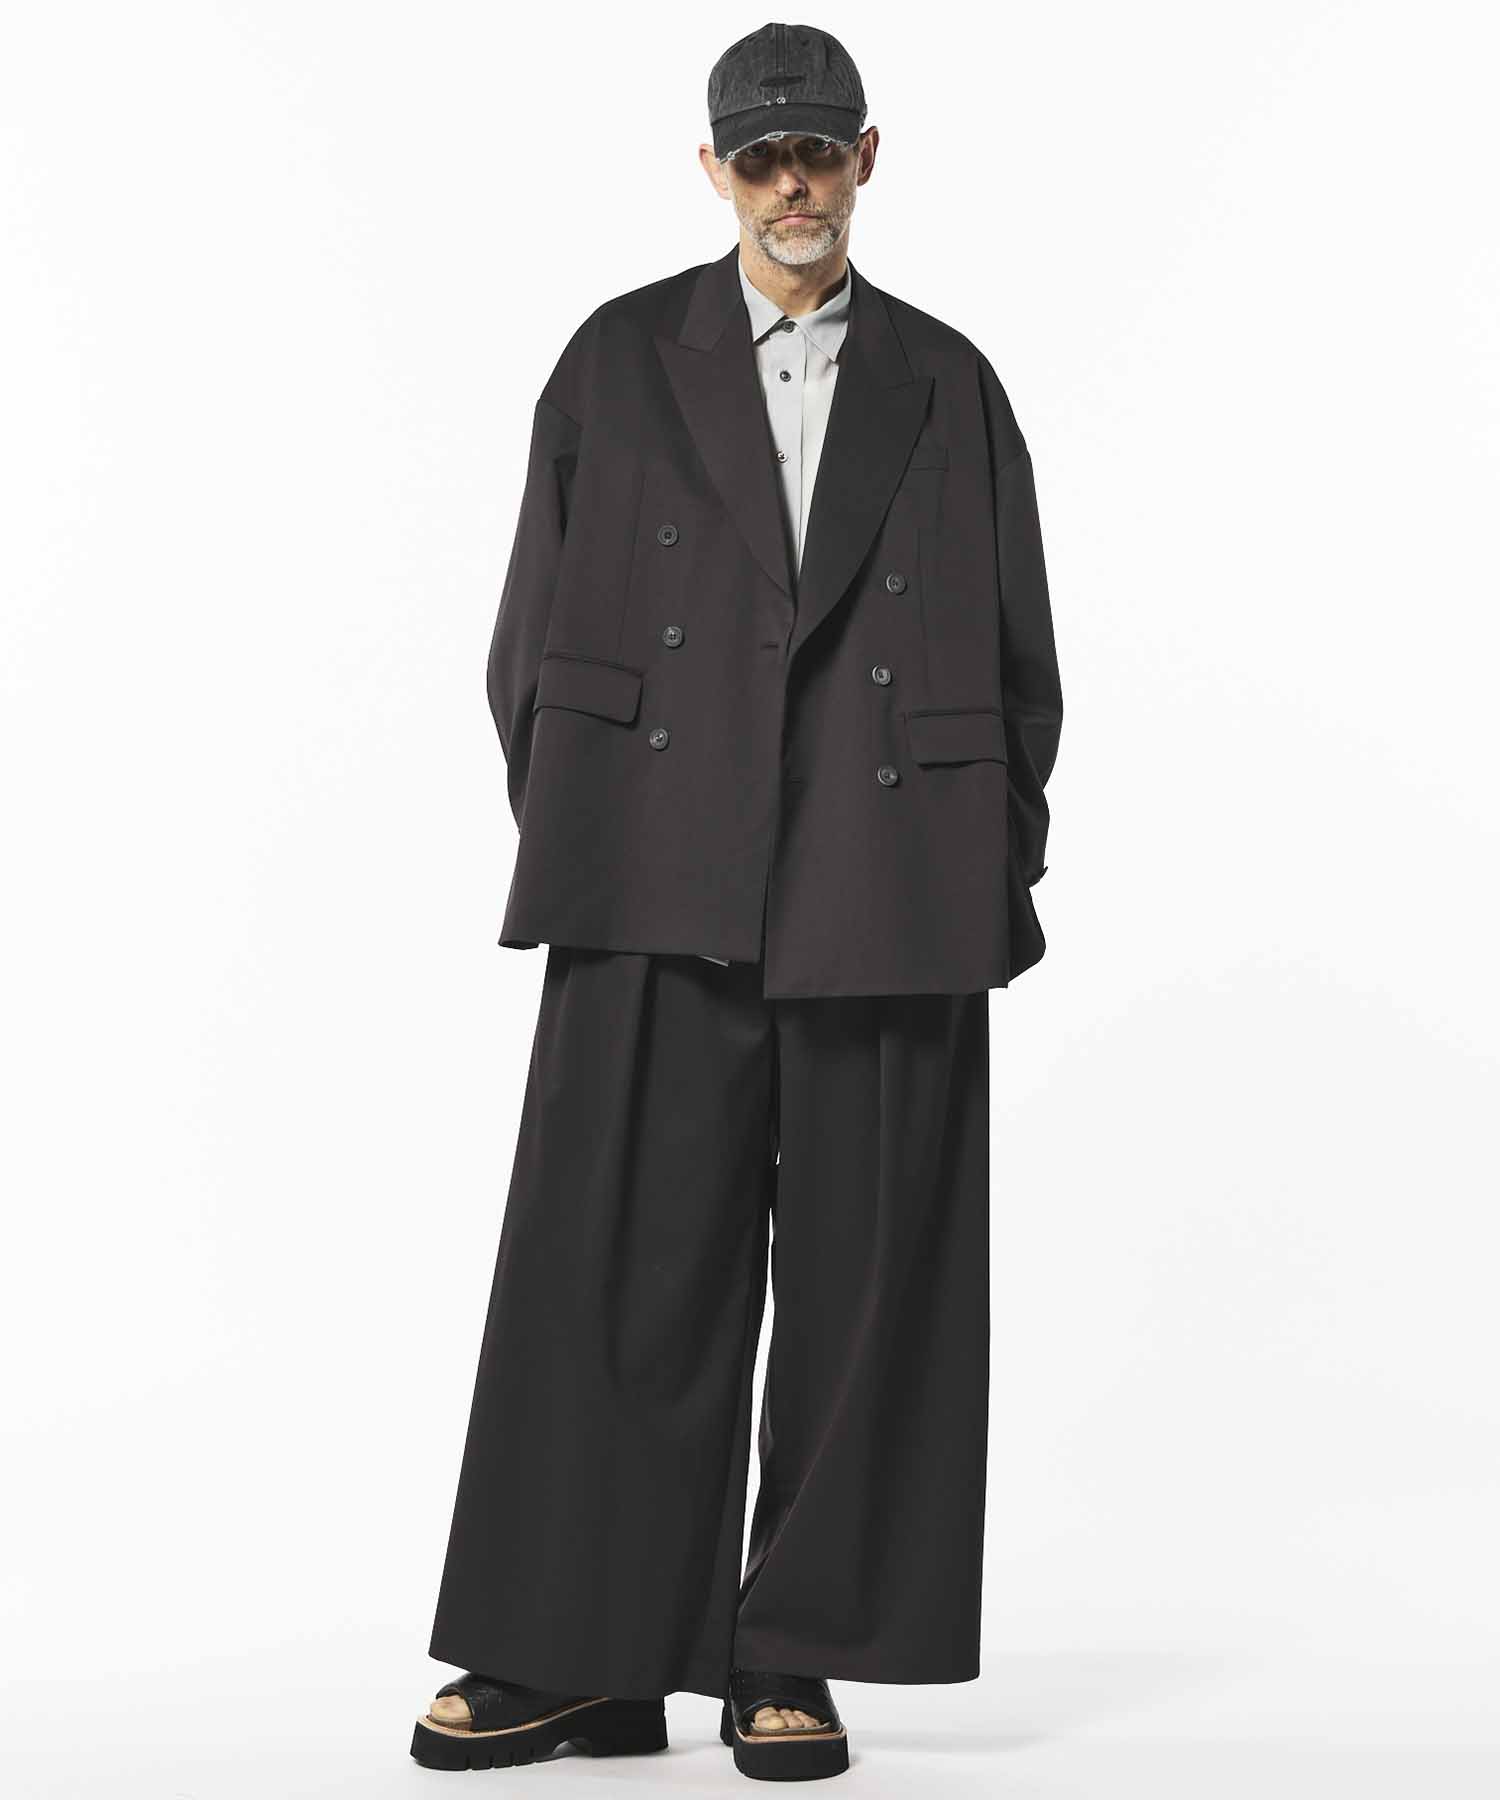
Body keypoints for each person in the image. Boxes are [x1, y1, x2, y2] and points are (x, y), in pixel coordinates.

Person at [409, 19, 1062, 1783]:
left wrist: (982, 862)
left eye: (819, 151)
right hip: (653, 871)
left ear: (867, 160)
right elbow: (532, 645)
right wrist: (606, 832)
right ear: (713, 170)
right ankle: (581, 1660)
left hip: (889, 886)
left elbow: (1022, 669)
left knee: (867, 1293)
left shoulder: (949, 381)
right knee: (615, 1266)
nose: (792, 183)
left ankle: (793, 1652)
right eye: (761, 156)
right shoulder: (617, 360)